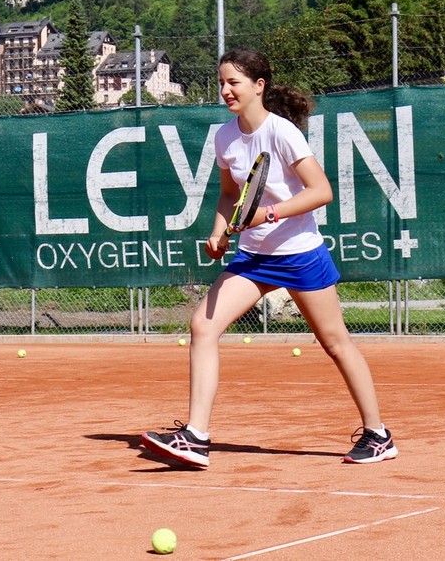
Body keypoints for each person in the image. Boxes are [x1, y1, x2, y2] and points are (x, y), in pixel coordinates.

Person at [141, 48, 398, 468]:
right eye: (222, 82)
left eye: (234, 83)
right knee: (203, 326)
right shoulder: (224, 136)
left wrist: (269, 213)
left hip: (299, 254)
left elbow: (321, 191)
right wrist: (218, 231)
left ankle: (378, 434)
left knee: (335, 344)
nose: (225, 90)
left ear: (259, 86)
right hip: (254, 256)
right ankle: (196, 437)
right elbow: (228, 193)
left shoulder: (283, 133)